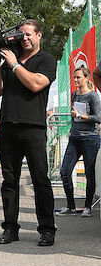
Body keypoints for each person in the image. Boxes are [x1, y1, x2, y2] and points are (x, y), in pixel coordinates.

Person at [0, 19, 57, 246]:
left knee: (40, 180)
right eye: (21, 35)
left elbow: (36, 84)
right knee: (9, 181)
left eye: (29, 34)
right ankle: (10, 229)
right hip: (8, 126)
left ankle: (47, 230)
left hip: (34, 128)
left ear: (39, 36)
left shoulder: (46, 60)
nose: (25, 38)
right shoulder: (9, 60)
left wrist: (16, 64)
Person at [56, 67, 101, 217]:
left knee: (89, 173)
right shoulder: (74, 95)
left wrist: (82, 116)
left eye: (79, 78)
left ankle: (88, 206)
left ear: (87, 78)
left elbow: (99, 118)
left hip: (90, 138)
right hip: (74, 138)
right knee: (65, 172)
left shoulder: (93, 96)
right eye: (74, 77)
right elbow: (74, 115)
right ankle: (71, 206)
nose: (75, 80)